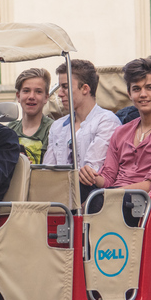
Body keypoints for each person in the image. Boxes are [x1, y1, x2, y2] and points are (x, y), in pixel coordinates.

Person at [79, 56, 151, 193]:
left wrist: (108, 195)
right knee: (75, 188)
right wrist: (91, 177)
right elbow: (107, 178)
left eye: (149, 88)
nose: (143, 94)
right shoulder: (120, 132)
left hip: (144, 204)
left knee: (93, 201)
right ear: (129, 94)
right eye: (136, 89)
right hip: (110, 198)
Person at [43, 60, 120, 199]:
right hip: (58, 197)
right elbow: (47, 170)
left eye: (65, 87)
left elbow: (91, 172)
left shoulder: (106, 121)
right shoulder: (57, 126)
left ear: (85, 88)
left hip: (89, 197)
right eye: (59, 87)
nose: (60, 94)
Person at [7, 68, 54, 163]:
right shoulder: (9, 130)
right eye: (26, 91)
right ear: (18, 96)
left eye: (38, 91)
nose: (31, 96)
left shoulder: (54, 129)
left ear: (46, 98)